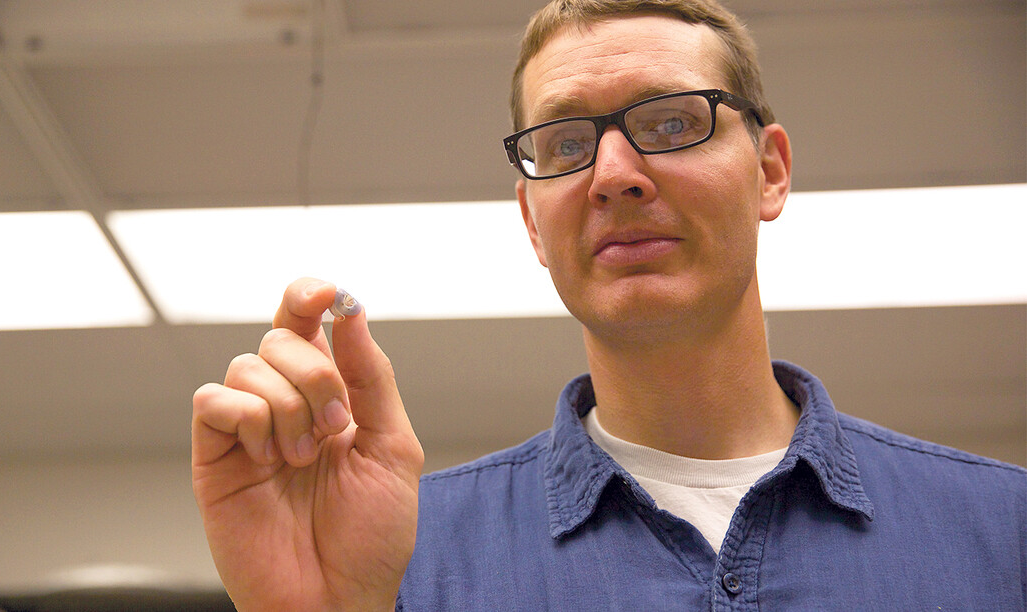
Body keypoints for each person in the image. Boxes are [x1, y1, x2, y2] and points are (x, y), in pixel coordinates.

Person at [192, 0, 1027, 609]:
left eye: (670, 123)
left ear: (769, 170)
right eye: (563, 143)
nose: (614, 173)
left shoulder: (1004, 533)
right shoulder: (407, 559)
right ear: (530, 216)